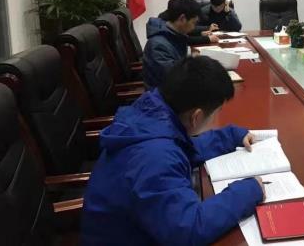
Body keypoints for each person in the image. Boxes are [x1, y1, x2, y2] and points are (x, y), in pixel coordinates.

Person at [81, 56, 265, 246]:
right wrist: (249, 191)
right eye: (216, 113)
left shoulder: (152, 112)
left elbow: (183, 147)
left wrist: (231, 136)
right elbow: (188, 230)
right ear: (196, 117)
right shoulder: (156, 157)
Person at [143, 0, 204, 88]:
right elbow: (174, 77)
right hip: (164, 94)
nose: (194, 27)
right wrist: (192, 60)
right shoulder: (158, 45)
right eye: (194, 23)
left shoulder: (175, 36)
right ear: (182, 19)